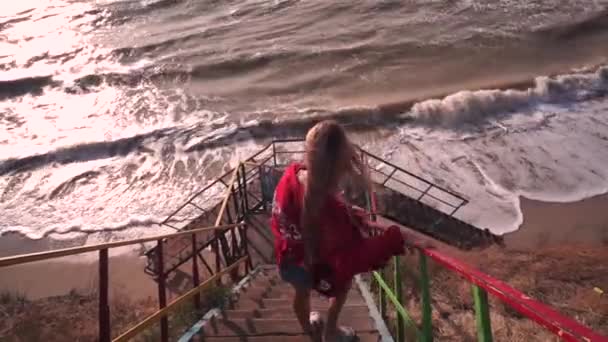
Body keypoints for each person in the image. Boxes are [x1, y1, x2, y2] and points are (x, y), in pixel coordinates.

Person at [270, 120, 408, 342]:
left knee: (301, 293)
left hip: (289, 258)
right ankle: (331, 331)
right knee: (343, 285)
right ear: (339, 163)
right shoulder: (331, 209)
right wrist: (394, 239)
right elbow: (355, 254)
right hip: (319, 266)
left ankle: (310, 330)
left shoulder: (289, 177)